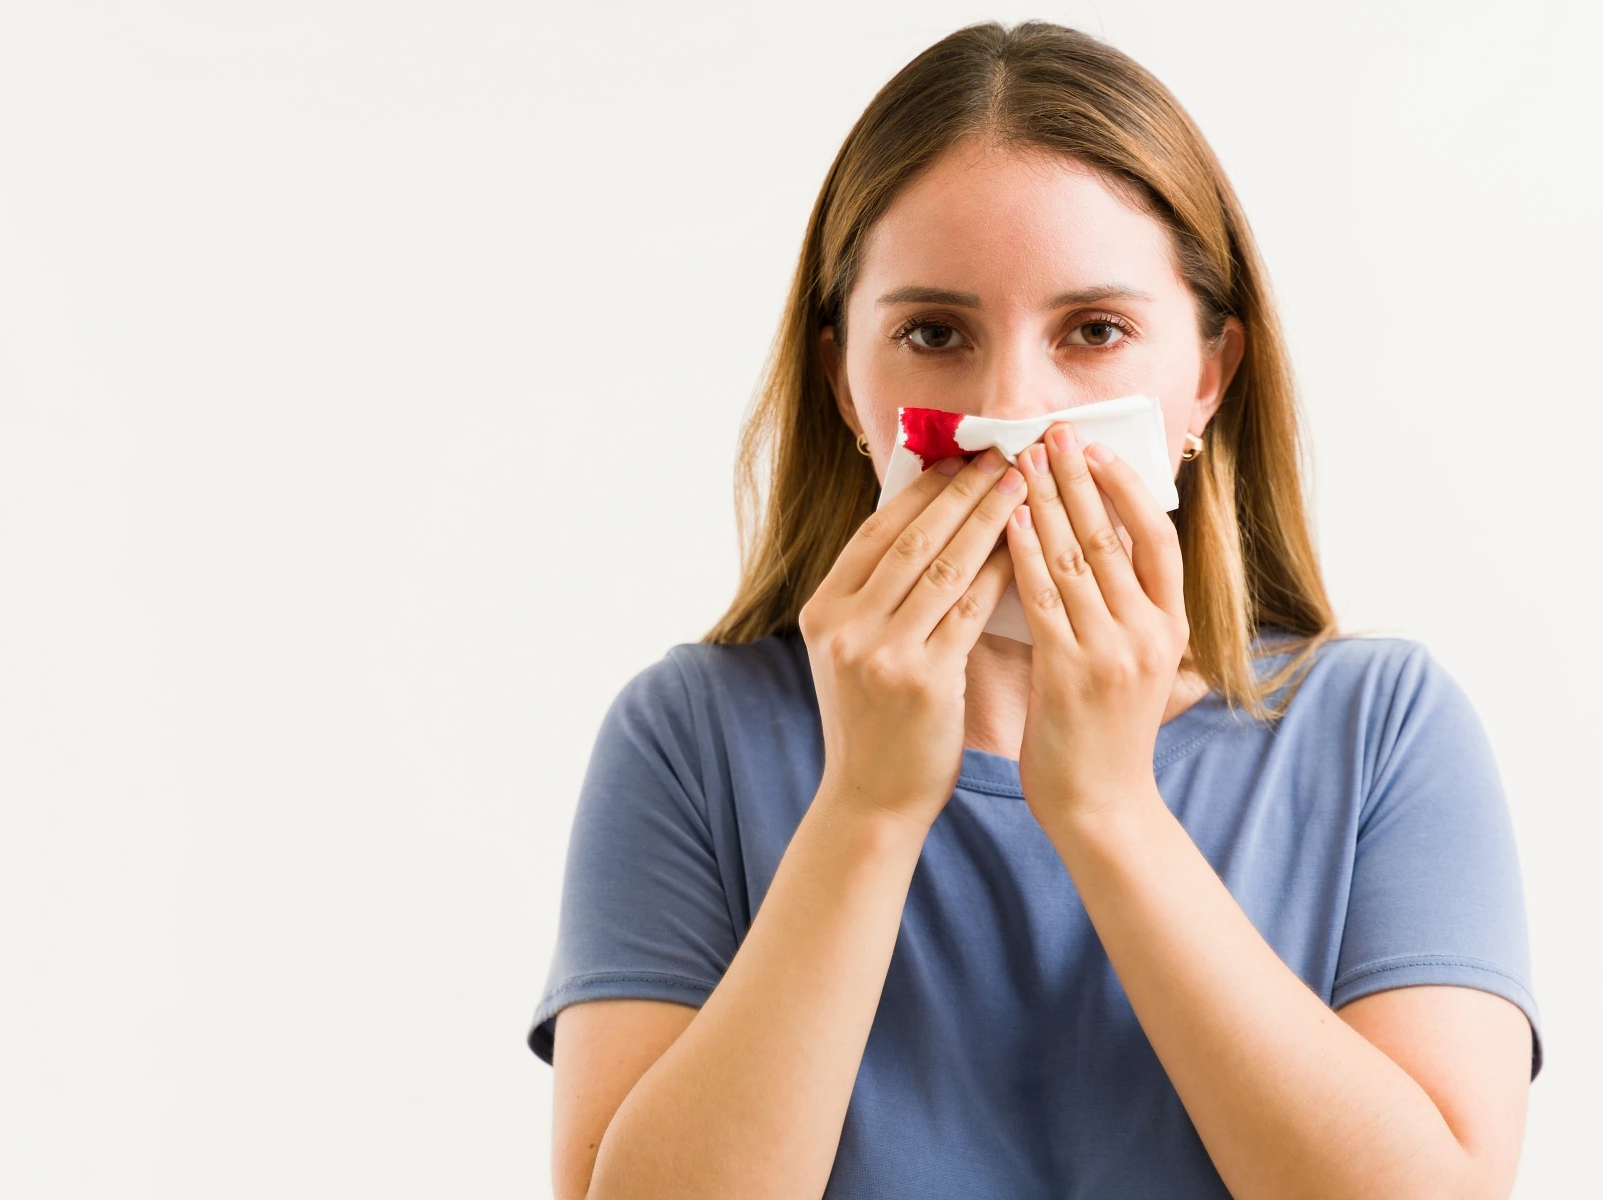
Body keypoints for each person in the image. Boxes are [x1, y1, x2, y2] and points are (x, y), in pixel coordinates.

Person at [526, 20, 1540, 1200]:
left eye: (1094, 333)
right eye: (933, 335)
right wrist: (864, 804)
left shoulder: (1382, 731)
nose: (1011, 411)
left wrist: (1108, 808)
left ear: (1206, 377)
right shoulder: (689, 740)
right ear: (843, 385)